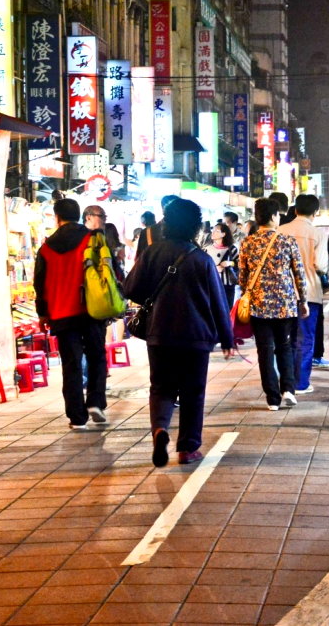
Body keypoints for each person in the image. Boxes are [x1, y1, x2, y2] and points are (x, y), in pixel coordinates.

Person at [124, 198, 234, 466]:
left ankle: (160, 429)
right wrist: (227, 338)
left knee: (161, 387)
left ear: (167, 223)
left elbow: (130, 289)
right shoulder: (202, 259)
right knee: (192, 391)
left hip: (159, 332)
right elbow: (218, 302)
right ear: (196, 227)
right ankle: (187, 447)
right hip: (196, 335)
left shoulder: (152, 252)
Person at [34, 199, 109, 429]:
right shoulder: (92, 239)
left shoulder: (46, 248)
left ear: (57, 218)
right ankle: (95, 402)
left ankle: (77, 418)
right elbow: (108, 270)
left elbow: (40, 284)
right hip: (91, 309)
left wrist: (43, 313)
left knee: (71, 364)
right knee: (96, 356)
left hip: (61, 313)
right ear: (80, 216)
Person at [239, 198, 308, 411]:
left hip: (258, 305)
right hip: (284, 304)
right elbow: (299, 273)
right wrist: (303, 300)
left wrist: (249, 294)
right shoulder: (287, 241)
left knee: (265, 350)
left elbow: (242, 277)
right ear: (273, 216)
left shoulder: (247, 243)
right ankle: (288, 390)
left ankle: (272, 399)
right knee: (284, 347)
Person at [279, 194, 327, 395]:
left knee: (284, 339)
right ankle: (300, 383)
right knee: (305, 339)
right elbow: (321, 265)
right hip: (309, 292)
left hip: (283, 292)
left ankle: (286, 382)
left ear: (295, 209)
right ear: (315, 212)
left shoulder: (281, 230)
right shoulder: (318, 234)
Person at [205, 222, 239, 310]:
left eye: (216, 231)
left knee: (227, 308)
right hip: (212, 283)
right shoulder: (207, 249)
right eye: (213, 230)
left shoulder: (232, 249)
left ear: (223, 234)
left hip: (227, 285)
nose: (213, 232)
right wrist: (214, 269)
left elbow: (239, 264)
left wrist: (230, 263)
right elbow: (202, 267)